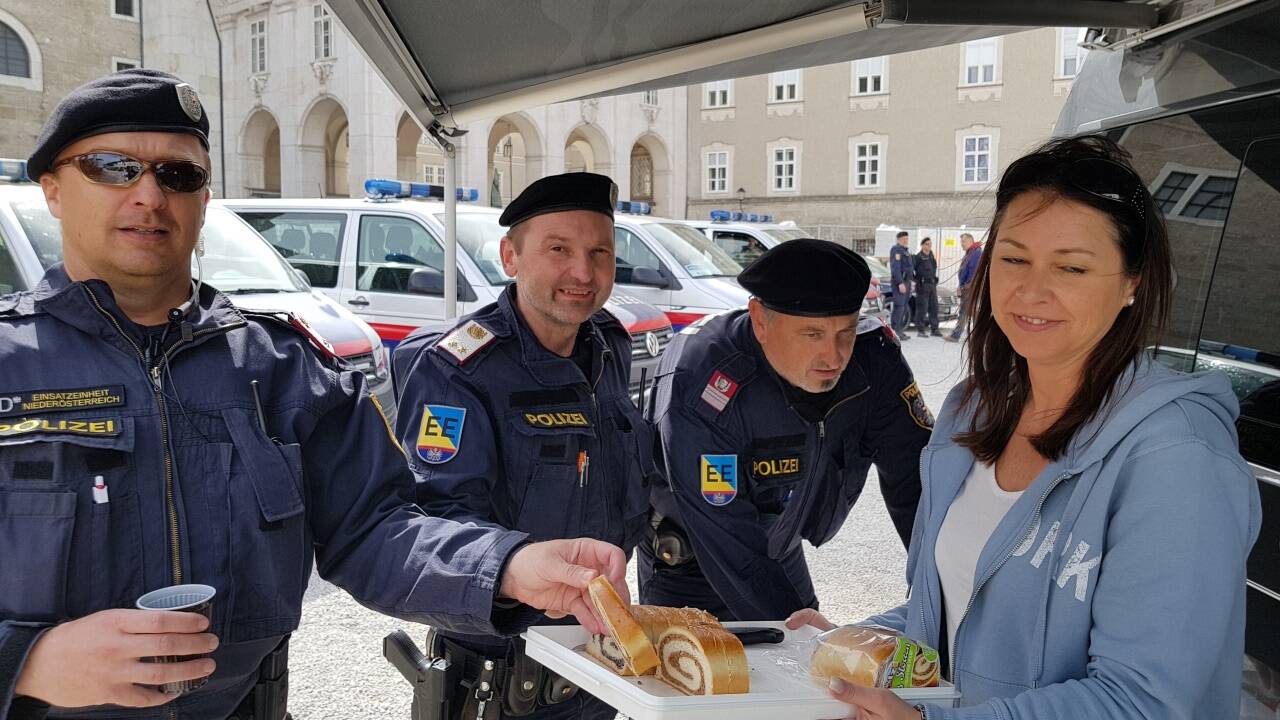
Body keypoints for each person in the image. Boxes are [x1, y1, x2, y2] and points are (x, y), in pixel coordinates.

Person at [0, 70, 627, 720]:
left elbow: (377, 529)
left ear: (205, 197)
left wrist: (507, 565)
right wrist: (29, 663)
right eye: (114, 168)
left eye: (178, 175)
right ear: (52, 189)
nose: (150, 196)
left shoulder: (282, 369)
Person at [790, 135, 1261, 719]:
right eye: (1013, 259)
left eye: (1071, 267)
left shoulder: (1176, 454)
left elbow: (1148, 701)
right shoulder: (974, 412)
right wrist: (854, 645)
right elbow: (948, 615)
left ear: (1131, 284)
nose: (1031, 291)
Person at [390, 172, 661, 720]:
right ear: (510, 256)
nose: (583, 272)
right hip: (503, 677)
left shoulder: (606, 343)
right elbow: (436, 520)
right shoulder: (460, 369)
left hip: (595, 660)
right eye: (558, 249)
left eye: (599, 252)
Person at [639, 239, 929, 621]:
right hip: (692, 562)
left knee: (809, 664)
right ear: (760, 320)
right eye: (812, 335)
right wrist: (798, 630)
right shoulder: (706, 381)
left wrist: (942, 595)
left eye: (845, 331)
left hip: (780, 546)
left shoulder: (873, 359)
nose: (835, 355)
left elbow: (917, 484)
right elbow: (725, 531)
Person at [945, 233, 981, 343]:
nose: (962, 244)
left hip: (970, 288)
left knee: (964, 312)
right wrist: (960, 286)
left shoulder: (976, 253)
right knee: (972, 312)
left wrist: (966, 286)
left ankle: (956, 336)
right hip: (967, 287)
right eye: (961, 242)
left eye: (963, 242)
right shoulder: (971, 252)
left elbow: (974, 272)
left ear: (970, 241)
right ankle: (979, 336)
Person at [912, 237, 941, 338]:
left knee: (934, 307)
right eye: (927, 244)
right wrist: (917, 280)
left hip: (932, 285)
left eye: (930, 244)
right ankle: (920, 330)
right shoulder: (917, 257)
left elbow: (933, 269)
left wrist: (935, 279)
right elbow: (911, 271)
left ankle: (935, 329)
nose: (929, 246)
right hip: (922, 285)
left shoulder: (931, 257)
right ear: (923, 245)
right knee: (922, 308)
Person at [888, 230, 914, 340]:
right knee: (899, 307)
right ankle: (894, 332)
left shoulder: (905, 251)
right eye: (904, 239)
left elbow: (909, 268)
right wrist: (899, 283)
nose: (906, 241)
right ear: (898, 240)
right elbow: (895, 268)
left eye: (907, 239)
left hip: (906, 282)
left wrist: (911, 282)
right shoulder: (896, 250)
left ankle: (899, 330)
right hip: (900, 283)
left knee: (903, 308)